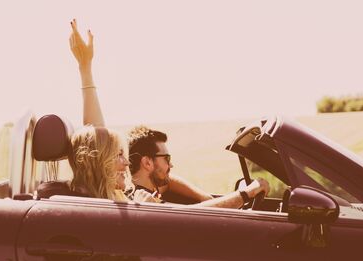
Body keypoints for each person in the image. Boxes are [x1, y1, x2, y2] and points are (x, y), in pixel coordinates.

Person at [69, 19, 269, 208]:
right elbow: (189, 219)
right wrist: (245, 194)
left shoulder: (118, 195)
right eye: (118, 155)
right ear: (100, 163)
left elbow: (97, 139)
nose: (127, 163)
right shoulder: (115, 202)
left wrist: (85, 68)